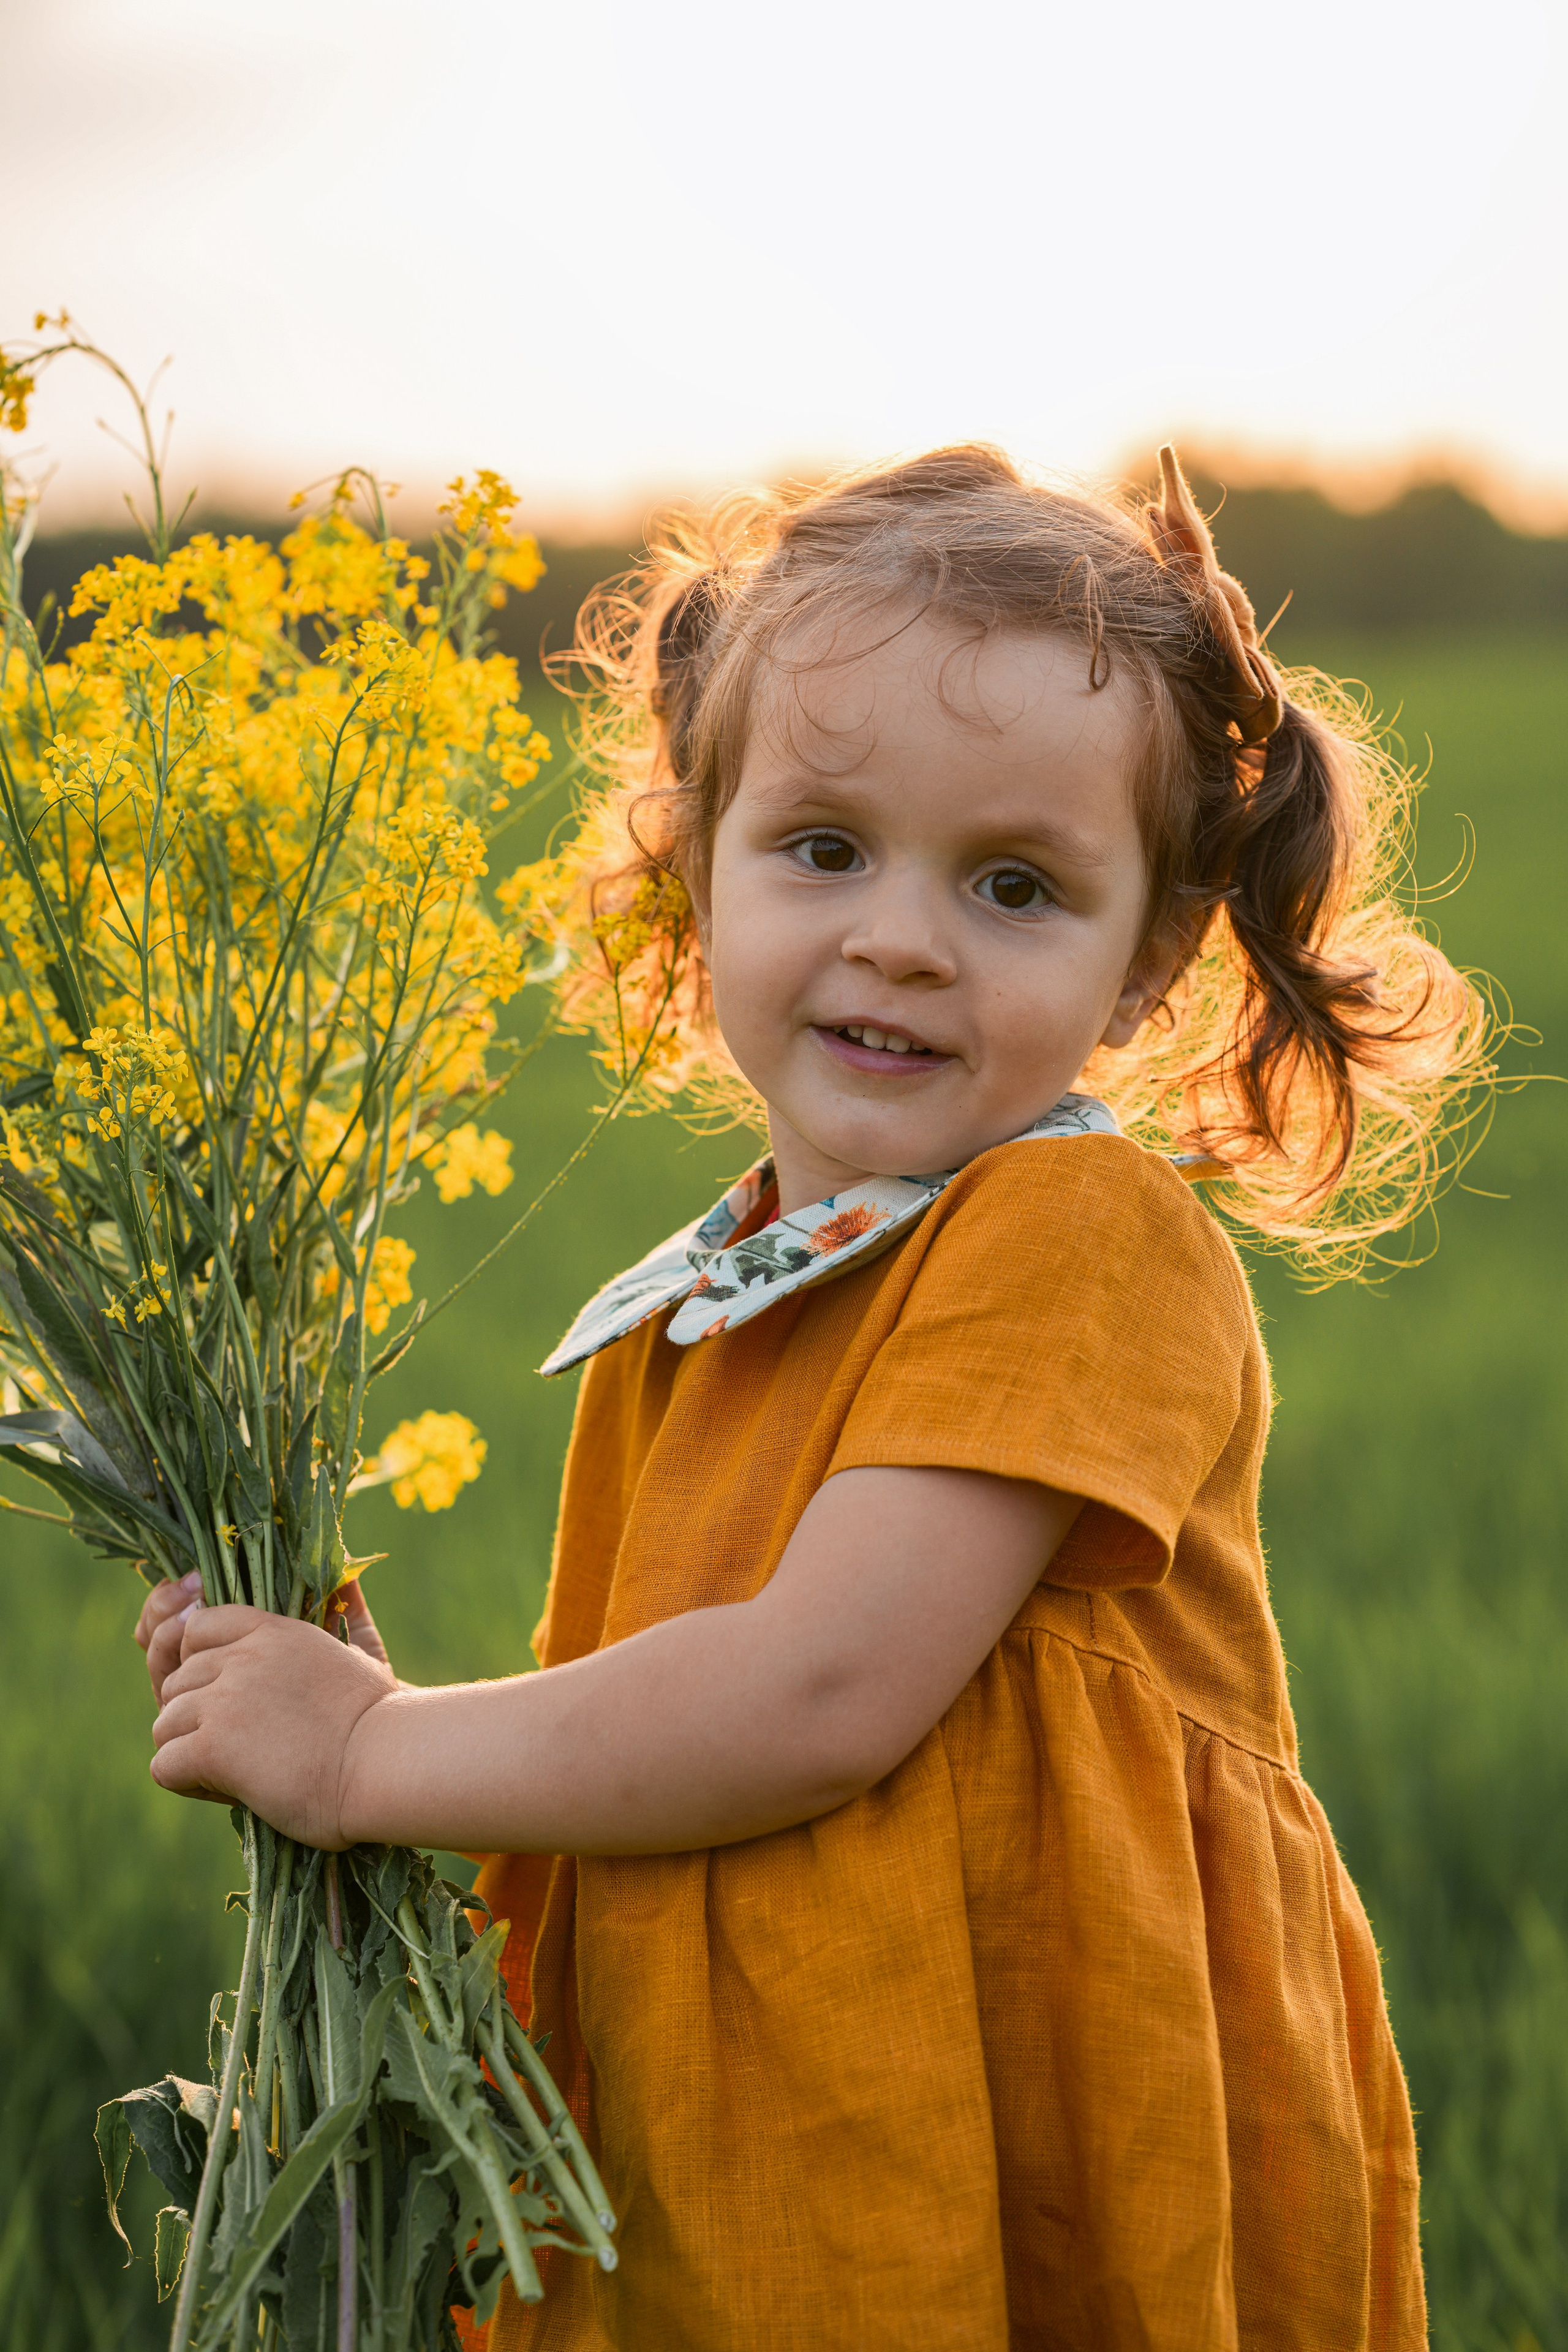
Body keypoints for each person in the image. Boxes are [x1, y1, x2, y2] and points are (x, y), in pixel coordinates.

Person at [137, 446, 1488, 2351]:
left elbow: (821, 1691)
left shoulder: (1074, 1229)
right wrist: (357, 1700)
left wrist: (374, 1755)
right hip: (764, 2076)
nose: (905, 936)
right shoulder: (718, 1288)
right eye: (826, 849)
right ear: (699, 872)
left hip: (1014, 2085)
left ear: (1149, 960)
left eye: (1016, 885)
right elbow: (664, 1696)